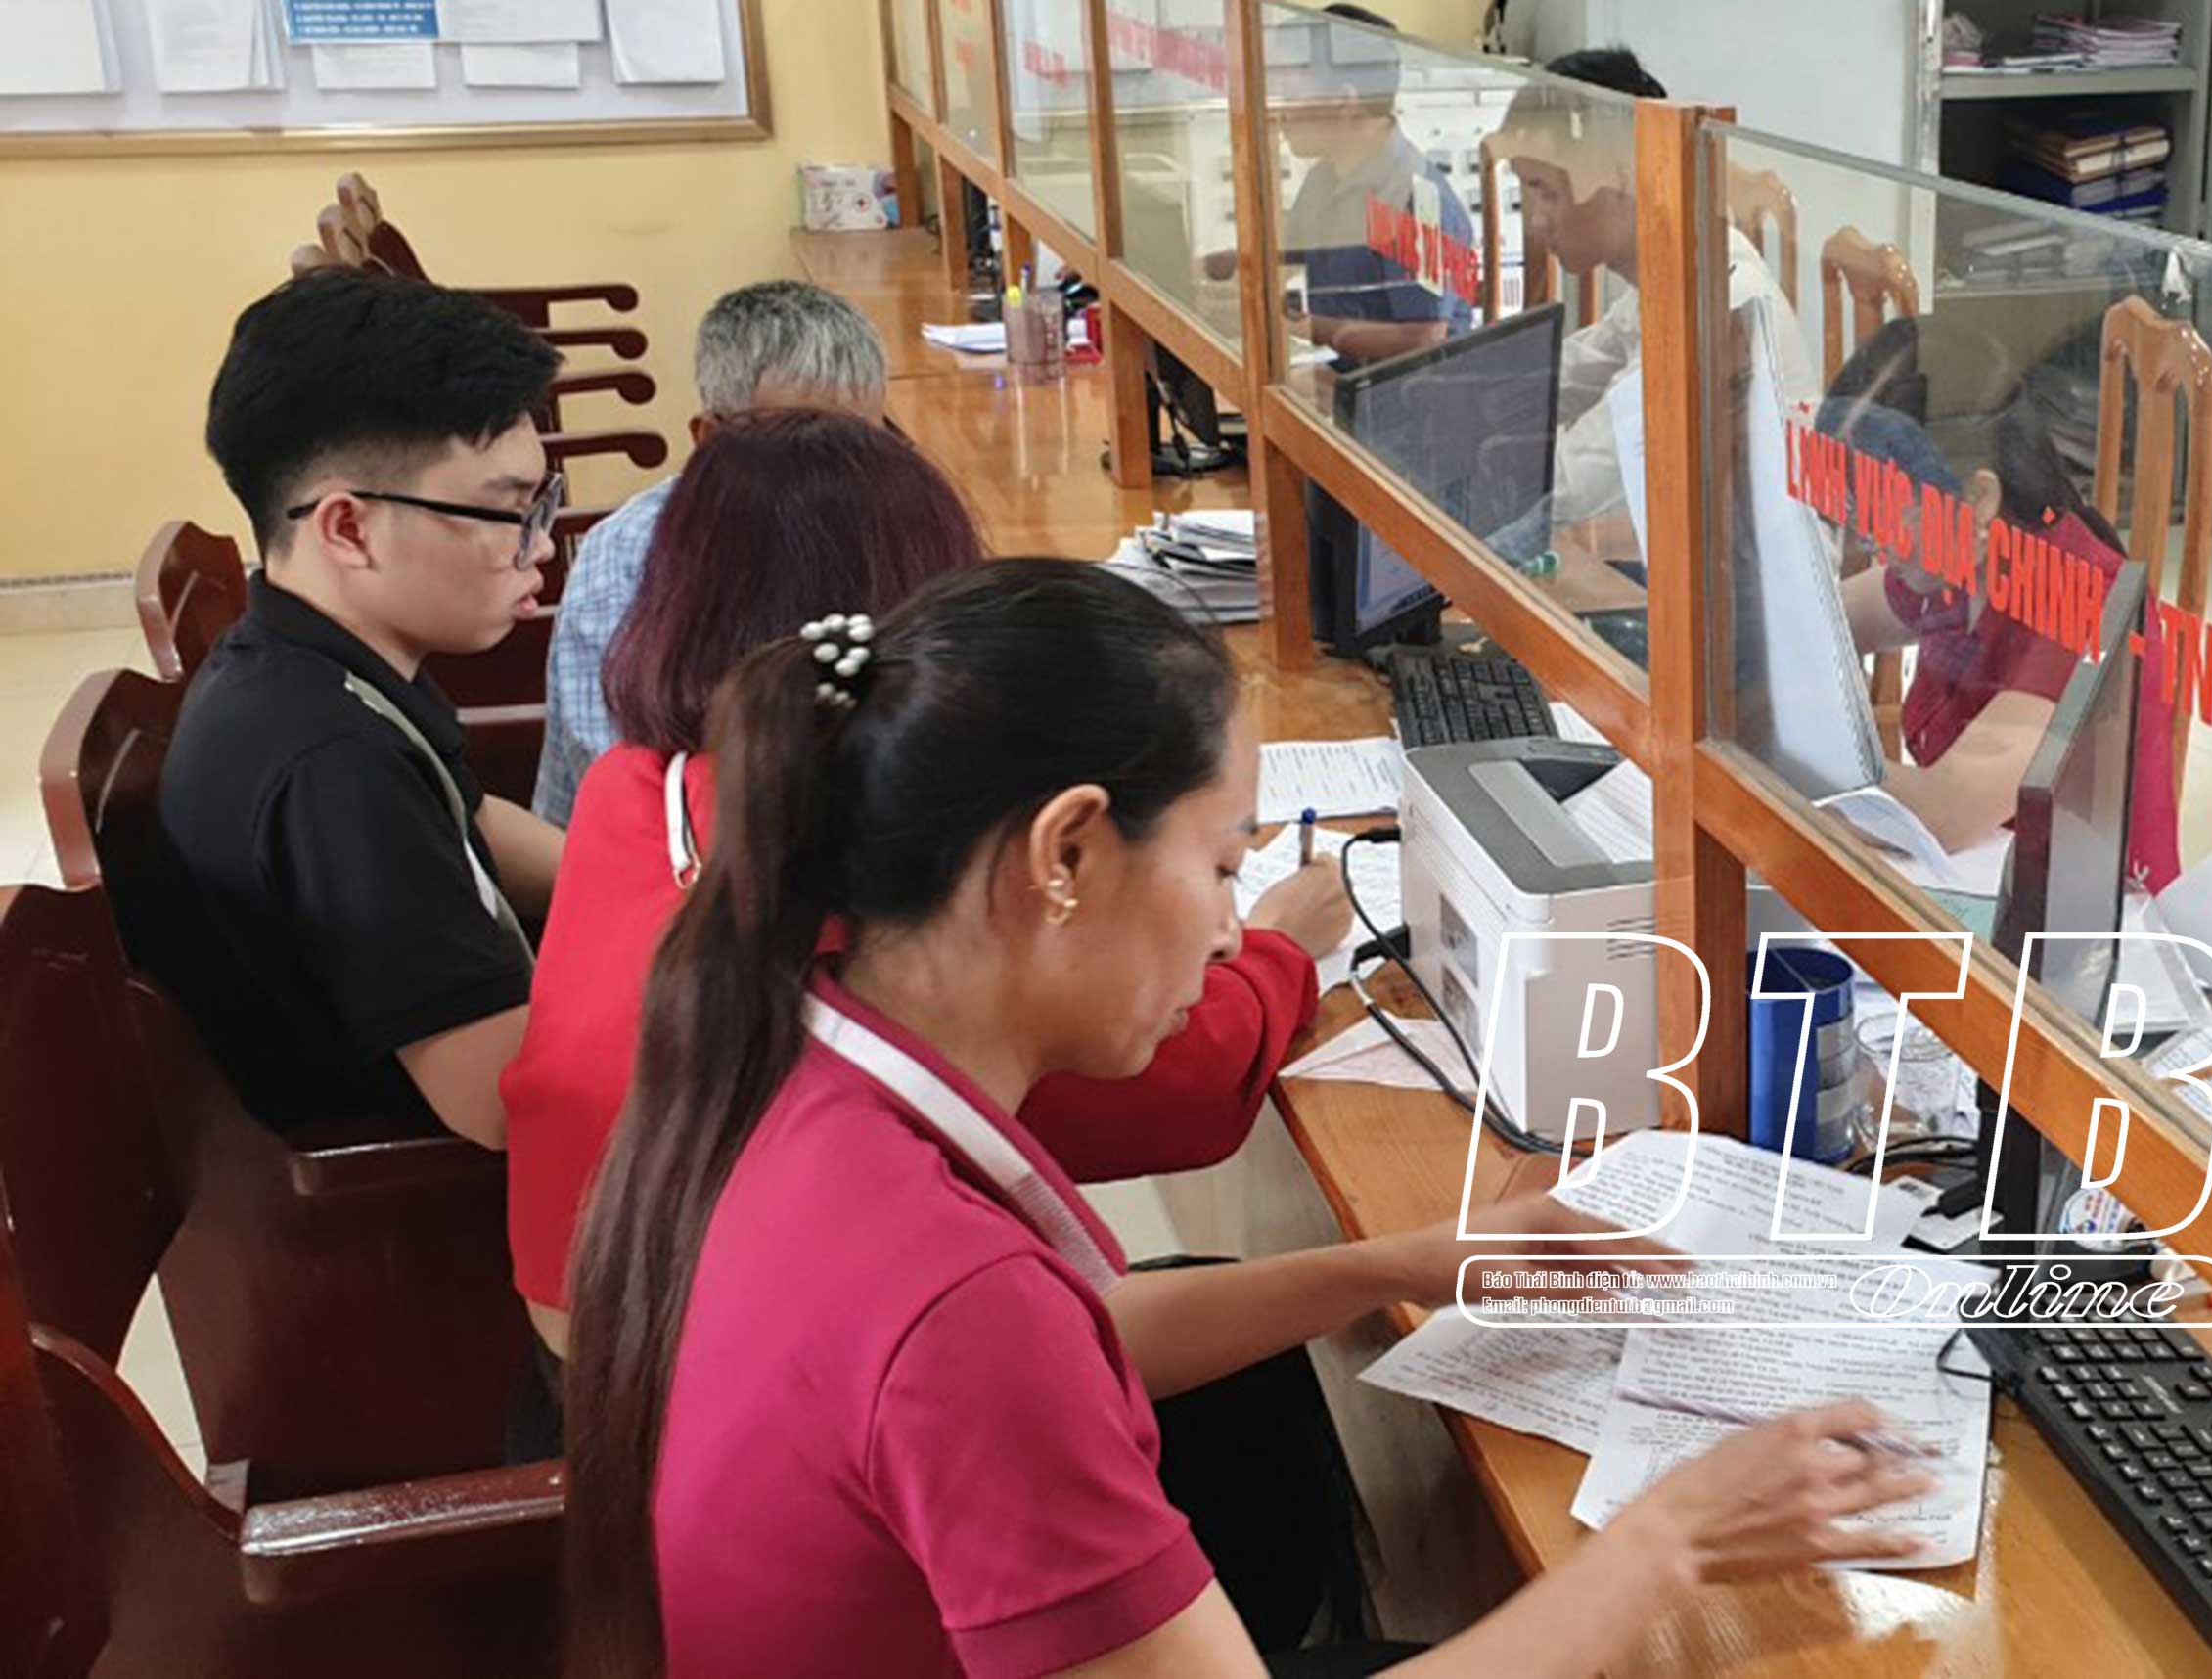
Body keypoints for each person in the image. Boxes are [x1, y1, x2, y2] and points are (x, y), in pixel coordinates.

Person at [563, 562, 1936, 1679]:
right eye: (1223, 868)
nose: (1233, 934)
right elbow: (992, 1358)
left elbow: (1065, 1342)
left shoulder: (795, 1059)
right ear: (1065, 853)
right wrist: (1672, 1541)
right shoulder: (951, 1304)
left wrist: (1406, 1263)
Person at [502, 411, 1352, 1374]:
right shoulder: (884, 939)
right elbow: (1183, 1089)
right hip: (702, 1386)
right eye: (1221, 870)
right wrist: (1281, 942)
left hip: (597, 1368)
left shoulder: (631, 789)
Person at [156, 269, 566, 1147]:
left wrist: (654, 892)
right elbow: (503, 1103)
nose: (540, 548)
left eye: (541, 504)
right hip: (413, 1180)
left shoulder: (314, 651)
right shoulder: (334, 766)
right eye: (506, 514)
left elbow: (465, 815)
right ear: (347, 528)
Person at [533, 279, 890, 824]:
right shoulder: (631, 560)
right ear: (709, 440)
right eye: (800, 450)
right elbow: (636, 811)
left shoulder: (890, 517)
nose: (839, 478)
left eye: (865, 445)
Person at [1828, 392, 2182, 891]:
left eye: (1888, 513)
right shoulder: (1961, 567)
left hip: (2079, 915)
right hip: (1984, 877)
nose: (1876, 543)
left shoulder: (2081, 600)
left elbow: (1942, 810)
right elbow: (1826, 620)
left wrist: (1783, 750)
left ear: (1979, 499)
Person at [1492, 47, 1821, 531]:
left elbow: (1568, 485)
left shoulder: (1712, 298)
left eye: (1547, 191)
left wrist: (1467, 450)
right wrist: (1469, 396)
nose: (1536, 222)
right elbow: (1572, 371)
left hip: (1742, 575)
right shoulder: (1675, 267)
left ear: (1621, 176)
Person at [1279, 3, 1477, 369]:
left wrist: (1304, 327)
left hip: (1411, 395)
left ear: (1346, 101)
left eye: (1290, 97)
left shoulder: (1412, 198)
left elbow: (1423, 339)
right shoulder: (1325, 178)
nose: (1279, 114)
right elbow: (1288, 255)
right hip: (1347, 381)